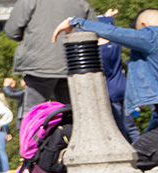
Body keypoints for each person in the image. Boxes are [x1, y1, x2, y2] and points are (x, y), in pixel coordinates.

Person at [54, 8, 158, 141]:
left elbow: (114, 33)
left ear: (144, 25)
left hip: (114, 93)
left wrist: (74, 21)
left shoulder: (152, 35)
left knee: (141, 158)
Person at [5, 0, 94, 112]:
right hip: (72, 63)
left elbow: (11, 31)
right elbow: (93, 30)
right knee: (72, 111)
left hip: (39, 65)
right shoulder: (78, 0)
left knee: (34, 112)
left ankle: (36, 134)